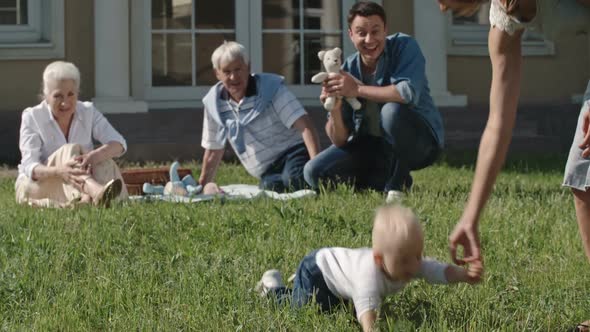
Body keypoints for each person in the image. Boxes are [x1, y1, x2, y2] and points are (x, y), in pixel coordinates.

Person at [436, 0, 589, 329]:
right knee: (585, 178)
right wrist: (470, 217)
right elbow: (498, 123)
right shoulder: (503, 22)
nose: (439, 7)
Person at [256, 205, 482, 332]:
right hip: (318, 271)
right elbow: (366, 309)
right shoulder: (369, 276)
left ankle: (302, 285)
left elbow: (437, 271)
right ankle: (272, 288)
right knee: (301, 308)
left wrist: (464, 274)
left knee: (339, 308)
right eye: (404, 260)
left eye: (418, 255)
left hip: (340, 277)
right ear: (378, 259)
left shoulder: (411, 263)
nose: (414, 265)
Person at [303, 1, 444, 199]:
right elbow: (340, 139)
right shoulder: (347, 69)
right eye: (361, 32)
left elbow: (407, 93)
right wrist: (335, 109)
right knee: (312, 171)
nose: (369, 39)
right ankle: (380, 177)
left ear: (385, 30)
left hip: (422, 142)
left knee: (391, 112)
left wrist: (357, 89)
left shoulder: (404, 46)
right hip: (374, 146)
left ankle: (396, 183)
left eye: (375, 31)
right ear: (351, 35)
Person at [199, 41, 320, 193]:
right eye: (227, 71)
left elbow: (306, 126)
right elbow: (213, 150)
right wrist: (202, 185)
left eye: (238, 69)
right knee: (269, 189)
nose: (233, 77)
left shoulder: (271, 89)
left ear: (248, 67)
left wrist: (315, 168)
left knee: (294, 179)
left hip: (293, 152)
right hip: (267, 169)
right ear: (217, 73)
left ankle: (326, 182)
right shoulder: (214, 104)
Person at [16, 61, 128, 208]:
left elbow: (119, 144)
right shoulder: (32, 117)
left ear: (77, 93)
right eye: (58, 96)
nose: (65, 102)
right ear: (46, 96)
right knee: (70, 149)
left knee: (104, 160)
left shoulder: (88, 111)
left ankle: (87, 200)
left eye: (70, 94)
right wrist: (60, 171)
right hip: (41, 184)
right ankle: (95, 192)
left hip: (75, 182)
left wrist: (93, 157)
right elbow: (30, 166)